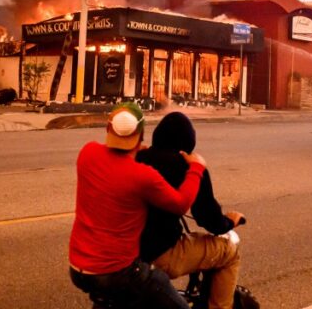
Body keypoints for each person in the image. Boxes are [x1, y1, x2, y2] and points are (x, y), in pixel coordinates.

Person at [69, 102, 208, 308]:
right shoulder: (142, 176)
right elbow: (180, 204)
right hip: (118, 273)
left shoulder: (87, 153)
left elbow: (111, 160)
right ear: (141, 135)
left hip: (77, 269)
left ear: (108, 130)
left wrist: (132, 151)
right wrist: (197, 168)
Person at [137, 112, 244, 309]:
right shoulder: (189, 167)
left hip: (127, 251)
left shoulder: (136, 157)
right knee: (230, 252)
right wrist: (230, 222)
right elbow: (209, 220)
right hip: (160, 252)